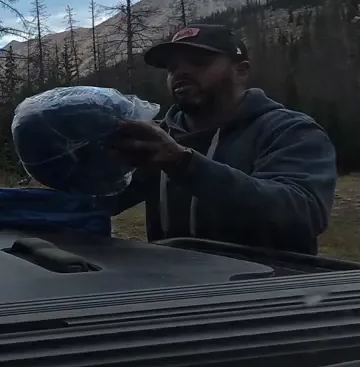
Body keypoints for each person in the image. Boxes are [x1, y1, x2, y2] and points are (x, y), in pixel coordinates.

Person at [108, 24, 337, 255]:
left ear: (241, 72)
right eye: (172, 67)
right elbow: (103, 200)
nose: (180, 72)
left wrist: (184, 164)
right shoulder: (158, 137)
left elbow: (304, 214)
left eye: (199, 61)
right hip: (176, 286)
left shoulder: (289, 130)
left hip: (268, 285)